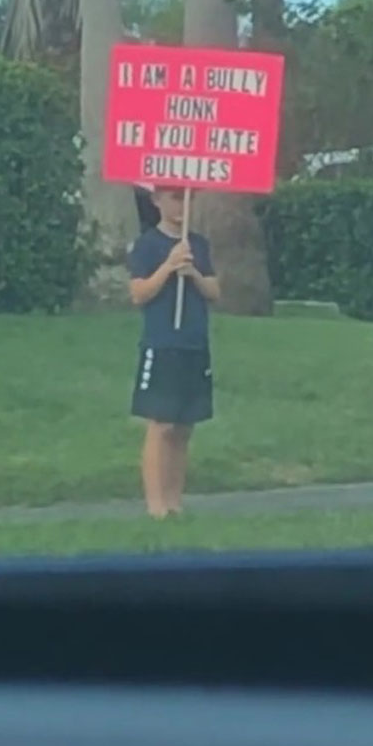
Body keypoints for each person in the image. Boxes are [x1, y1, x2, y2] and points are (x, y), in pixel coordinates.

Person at [127, 186, 220, 519]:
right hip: (162, 342)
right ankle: (155, 505)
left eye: (188, 198)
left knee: (184, 426)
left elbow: (214, 291)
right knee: (162, 424)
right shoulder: (147, 245)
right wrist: (168, 267)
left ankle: (174, 501)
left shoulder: (198, 245)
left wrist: (192, 272)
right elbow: (139, 293)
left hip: (194, 343)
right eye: (175, 198)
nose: (183, 205)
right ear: (157, 200)